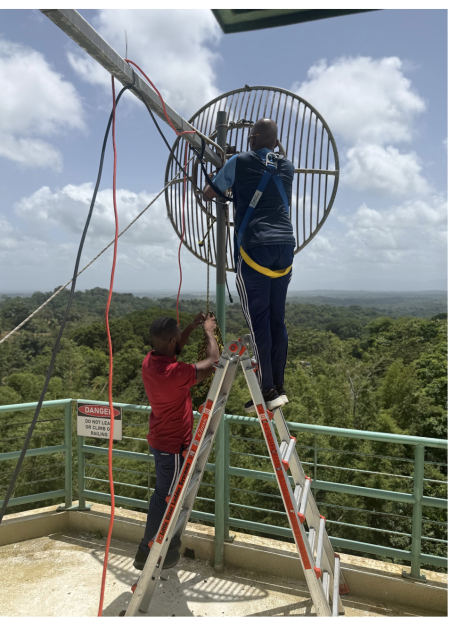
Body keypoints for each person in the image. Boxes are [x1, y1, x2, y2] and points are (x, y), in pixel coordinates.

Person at [202, 118, 295, 413]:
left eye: (250, 138)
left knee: (259, 323)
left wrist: (227, 166)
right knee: (276, 319)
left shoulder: (240, 161)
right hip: (285, 249)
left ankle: (267, 390)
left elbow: (210, 192)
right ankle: (278, 386)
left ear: (253, 138)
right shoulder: (288, 166)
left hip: (254, 248)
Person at [134, 312, 220, 571]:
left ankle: (159, 546)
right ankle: (147, 551)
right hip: (172, 447)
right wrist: (208, 331)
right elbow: (214, 361)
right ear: (170, 339)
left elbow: (176, 346)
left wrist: (192, 327)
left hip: (162, 440)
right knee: (165, 497)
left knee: (165, 495)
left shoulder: (151, 361)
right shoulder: (174, 372)